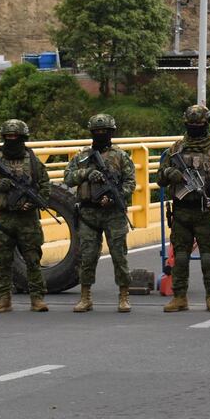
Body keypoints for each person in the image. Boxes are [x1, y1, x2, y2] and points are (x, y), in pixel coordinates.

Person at [157, 105, 210, 313]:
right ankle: (179, 297)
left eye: (198, 125)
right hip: (181, 211)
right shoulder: (176, 149)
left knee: (209, 257)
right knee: (180, 256)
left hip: (205, 212)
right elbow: (159, 178)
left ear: (206, 124)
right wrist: (170, 172)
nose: (195, 129)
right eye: (191, 125)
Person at [64, 114, 136, 313]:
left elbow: (131, 183)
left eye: (105, 132)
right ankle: (85, 297)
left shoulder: (121, 156)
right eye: (97, 132)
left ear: (112, 132)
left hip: (114, 214)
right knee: (87, 257)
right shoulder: (82, 157)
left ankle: (123, 296)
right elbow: (68, 178)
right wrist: (86, 173)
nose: (101, 135)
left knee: (119, 256)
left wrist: (114, 197)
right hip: (88, 214)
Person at [0, 119, 51, 313]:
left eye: (15, 137)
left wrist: (33, 203)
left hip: (28, 219)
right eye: (8, 137)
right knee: (3, 259)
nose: (11, 140)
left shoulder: (33, 161)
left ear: (23, 138)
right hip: (3, 218)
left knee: (33, 259)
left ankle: (37, 298)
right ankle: (4, 298)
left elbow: (45, 187)